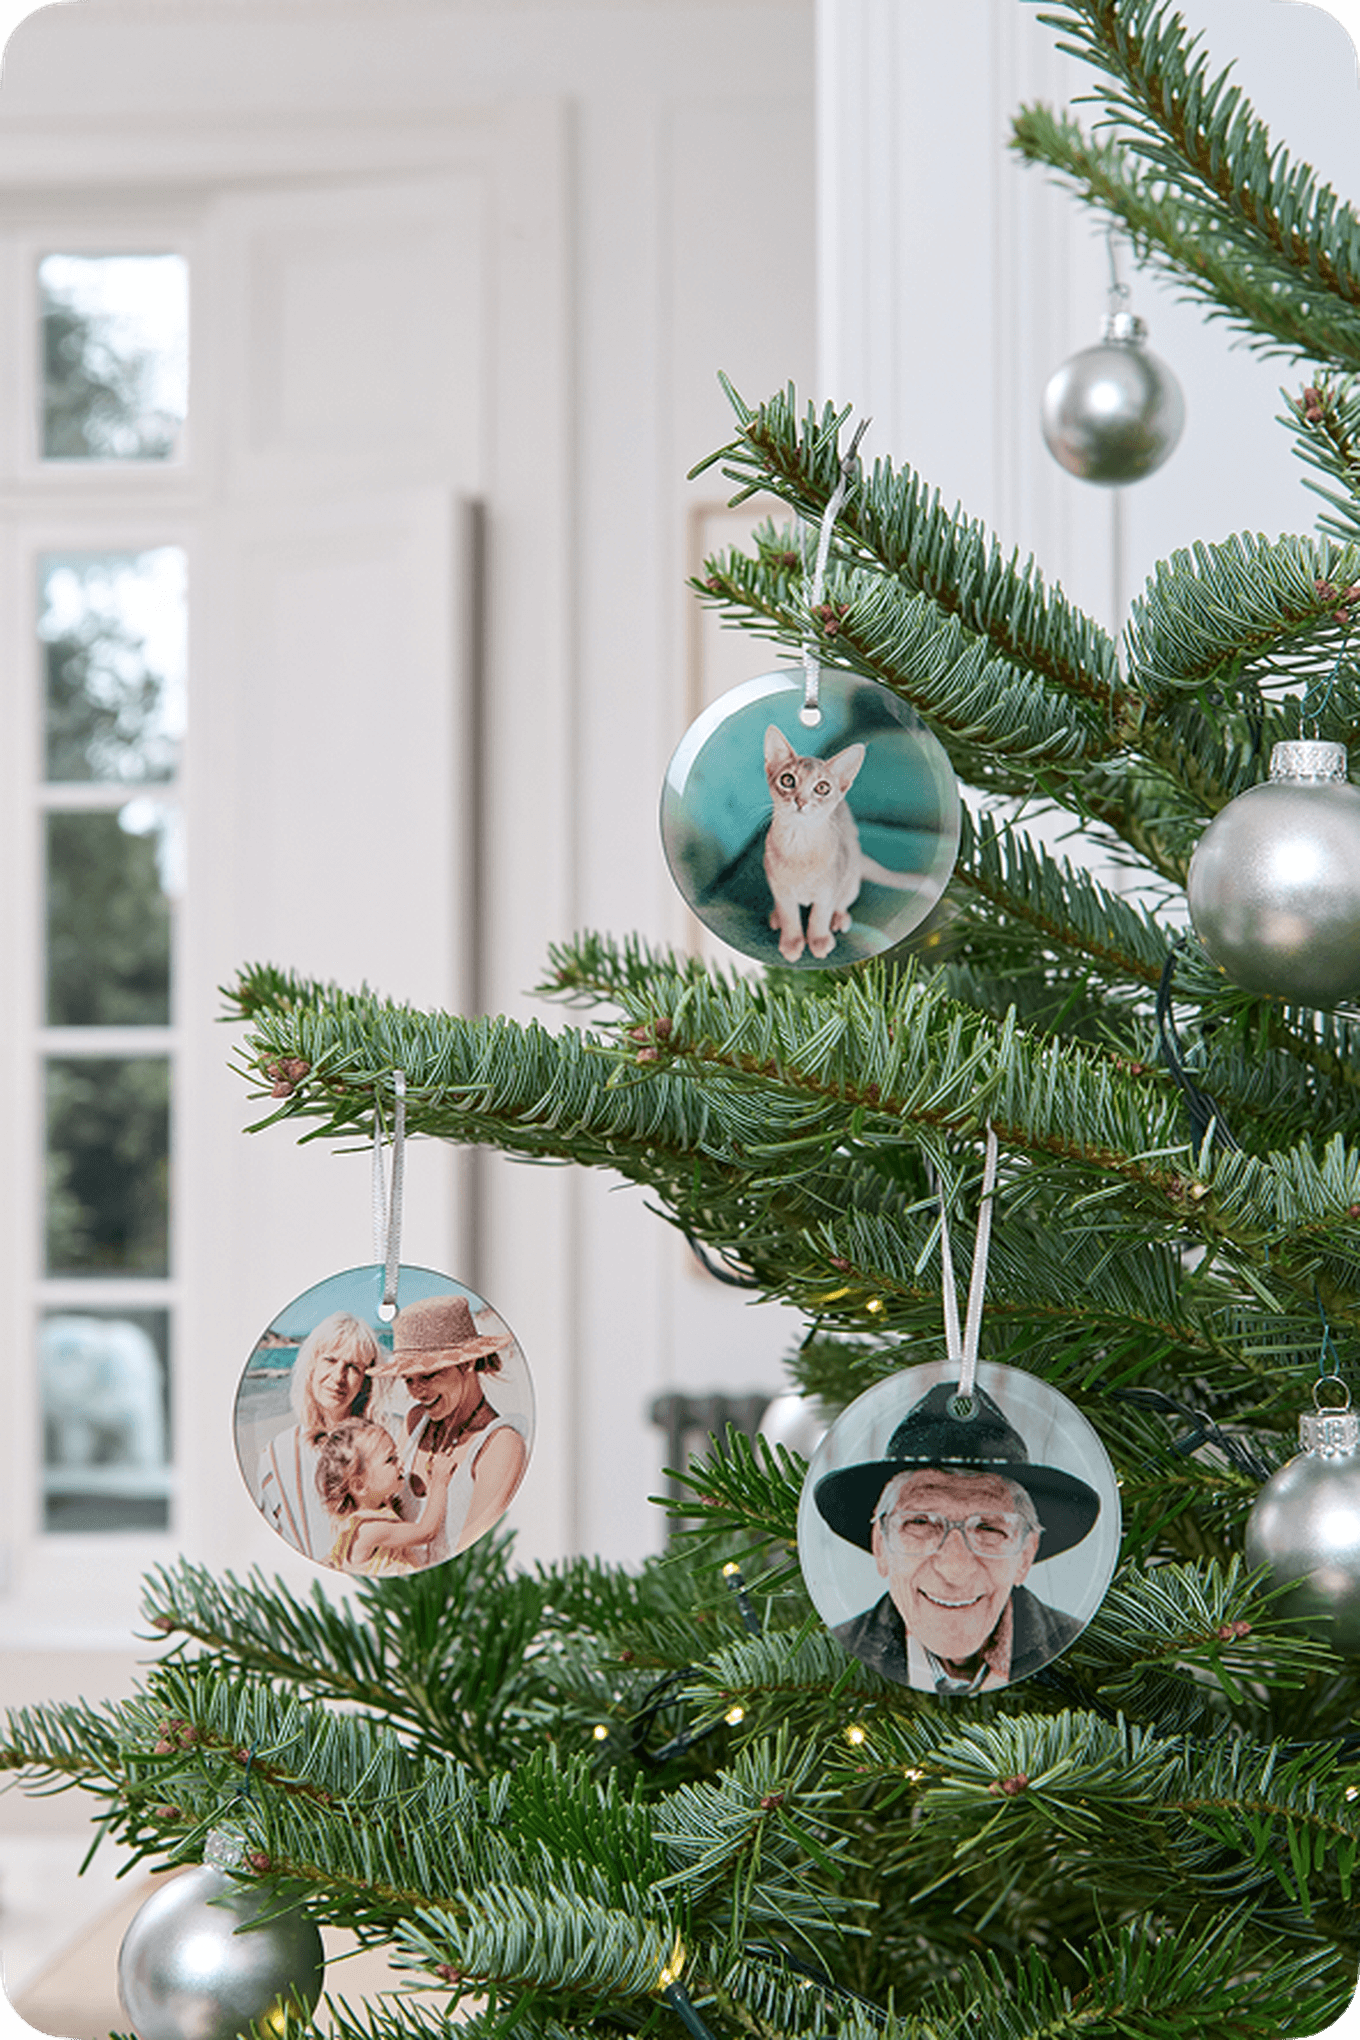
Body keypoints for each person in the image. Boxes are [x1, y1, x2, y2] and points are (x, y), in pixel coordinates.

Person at [813, 1380, 1101, 1695]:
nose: (955, 1569)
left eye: (990, 1528)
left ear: (1025, 1554)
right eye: (920, 1522)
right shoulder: (823, 1666)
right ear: (880, 1546)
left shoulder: (1090, 1661)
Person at [369, 1293, 528, 1560]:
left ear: (466, 1362)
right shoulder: (417, 1420)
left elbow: (473, 1557)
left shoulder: (500, 1446)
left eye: (428, 1375)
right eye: (408, 1380)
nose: (417, 1392)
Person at [256, 1311, 380, 1560]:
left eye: (353, 1367)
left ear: (366, 1381)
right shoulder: (277, 1453)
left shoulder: (386, 1444)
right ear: (311, 1366)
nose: (338, 1377)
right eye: (330, 1360)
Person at [314, 1417, 454, 1575]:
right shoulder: (369, 1529)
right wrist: (439, 1481)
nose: (401, 1464)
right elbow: (426, 1532)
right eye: (390, 1460)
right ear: (359, 1486)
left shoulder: (372, 1510)